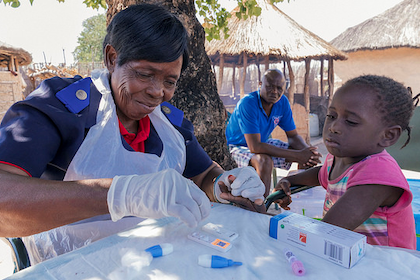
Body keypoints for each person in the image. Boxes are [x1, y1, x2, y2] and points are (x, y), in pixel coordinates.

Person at [0, 4, 266, 264]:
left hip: (150, 261)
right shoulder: (62, 108)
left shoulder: (170, 127)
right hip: (68, 266)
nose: (157, 92)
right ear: (112, 58)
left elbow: (205, 174)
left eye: (169, 81)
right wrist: (121, 195)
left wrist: (225, 183)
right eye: (144, 74)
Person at [275, 75, 417, 249]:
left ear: (388, 136)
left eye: (351, 121)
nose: (334, 127)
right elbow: (322, 173)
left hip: (386, 266)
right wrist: (290, 181)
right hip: (353, 255)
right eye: (331, 115)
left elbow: (327, 231)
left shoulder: (378, 174)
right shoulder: (340, 158)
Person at [225, 69, 321, 197]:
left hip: (262, 142)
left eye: (279, 88)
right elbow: (255, 147)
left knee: (304, 154)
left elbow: (293, 136)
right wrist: (298, 155)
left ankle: (297, 197)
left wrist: (308, 153)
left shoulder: (282, 103)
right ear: (260, 84)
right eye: (269, 86)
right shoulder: (248, 103)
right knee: (264, 161)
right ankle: (261, 205)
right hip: (236, 147)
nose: (274, 91)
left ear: (284, 88)